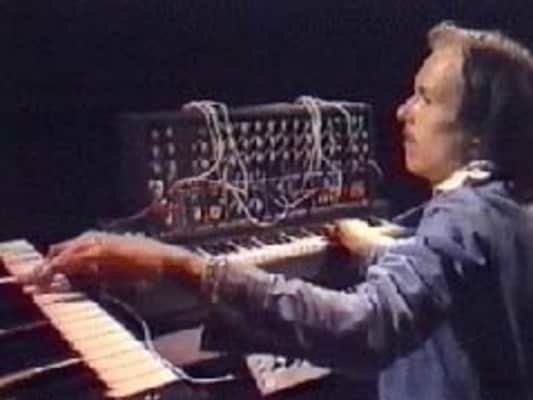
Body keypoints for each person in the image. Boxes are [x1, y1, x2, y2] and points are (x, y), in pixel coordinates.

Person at [30, 21, 533, 400]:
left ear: (477, 133)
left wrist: (175, 264)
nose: (403, 111)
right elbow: (447, 281)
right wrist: (369, 249)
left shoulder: (461, 217)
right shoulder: (506, 211)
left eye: (425, 98)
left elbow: (368, 327)